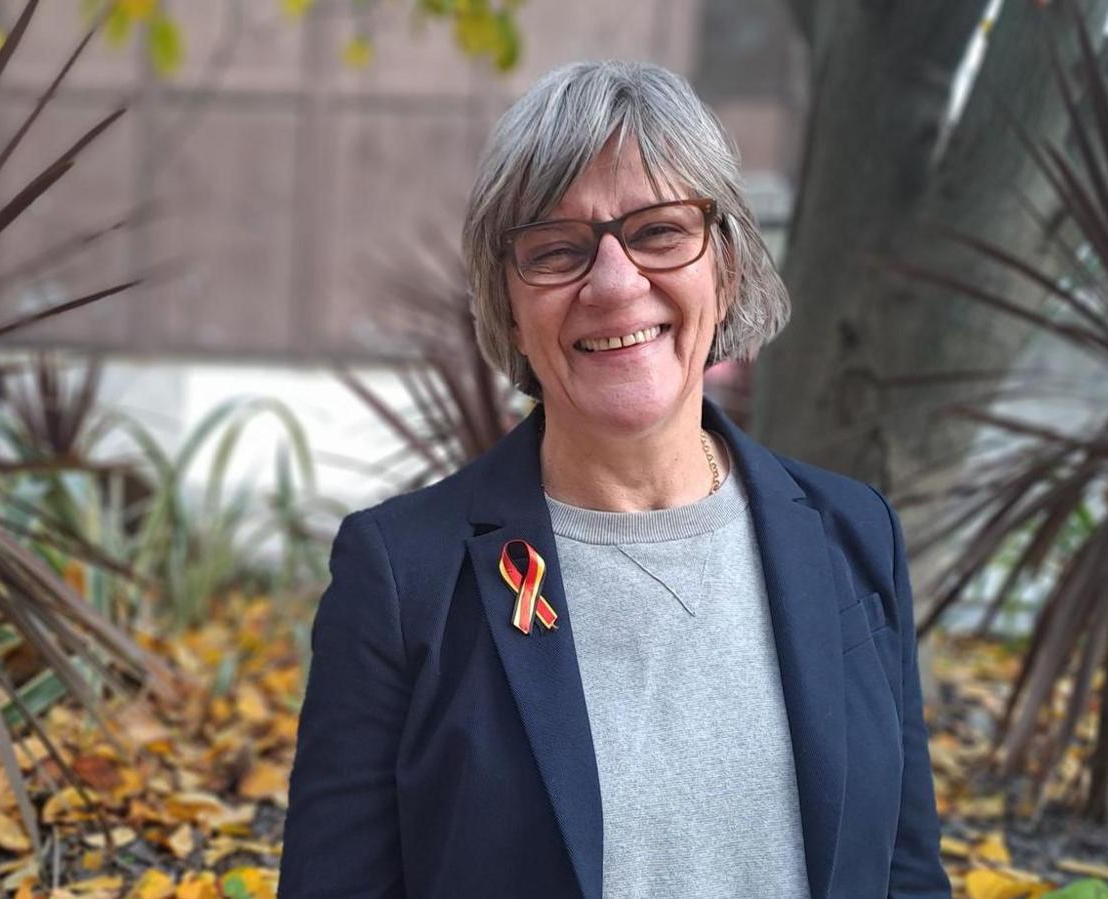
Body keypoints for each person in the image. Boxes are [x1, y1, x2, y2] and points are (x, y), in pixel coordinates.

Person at [279, 60, 950, 899]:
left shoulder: (856, 535)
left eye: (660, 232)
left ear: (726, 265)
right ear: (510, 308)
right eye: (557, 249)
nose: (615, 283)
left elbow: (905, 874)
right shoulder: (402, 575)